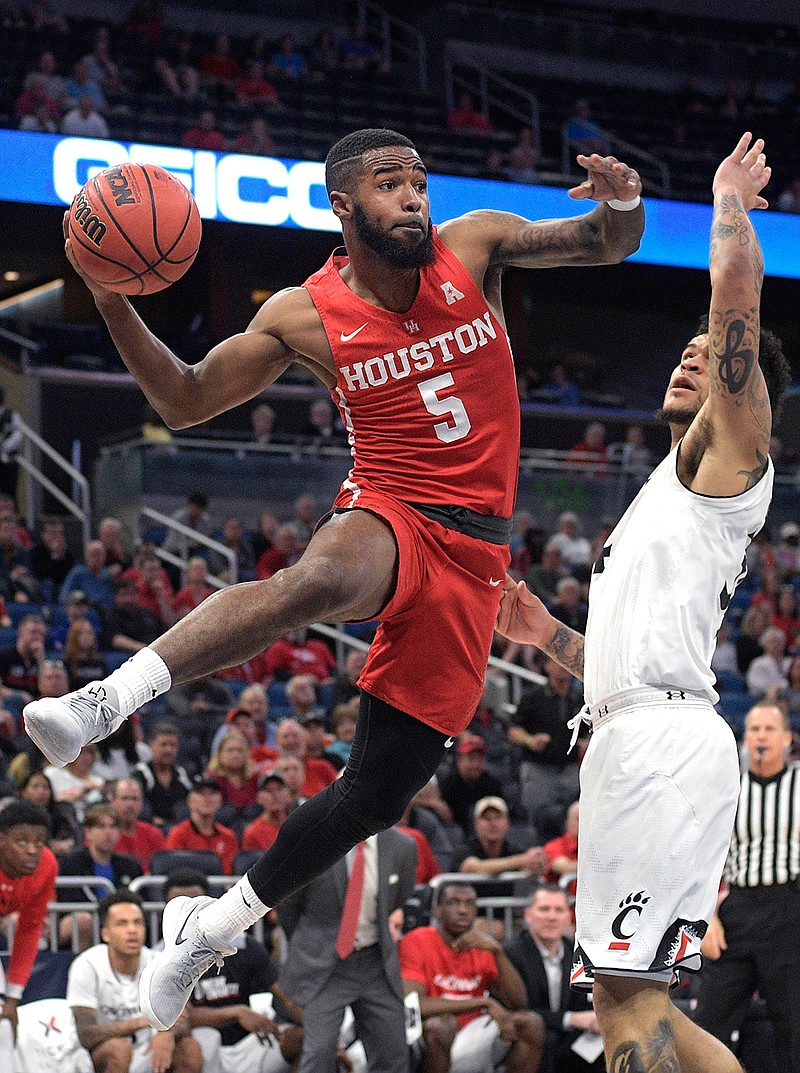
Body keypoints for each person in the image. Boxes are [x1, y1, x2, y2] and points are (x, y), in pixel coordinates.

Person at [25, 125, 644, 1032]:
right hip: (392, 503)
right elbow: (186, 399)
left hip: (479, 552)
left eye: (418, 182)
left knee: (380, 792)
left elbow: (601, 241)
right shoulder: (300, 313)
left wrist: (622, 201)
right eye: (390, 184)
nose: (413, 198)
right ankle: (103, 702)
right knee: (317, 580)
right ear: (343, 203)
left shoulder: (473, 245)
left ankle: (213, 926)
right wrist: (115, 302)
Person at [495, 134, 790, 1071]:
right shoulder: (664, 489)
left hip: (659, 753)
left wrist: (726, 201)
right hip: (642, 734)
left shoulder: (728, 458)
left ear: (747, 392)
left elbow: (737, 298)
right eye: (683, 352)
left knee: (628, 1012)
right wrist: (546, 633)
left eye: (710, 358)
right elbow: (636, 665)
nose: (689, 362)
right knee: (642, 1005)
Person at [693, 702, 800, 1069]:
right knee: (708, 1022)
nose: (760, 736)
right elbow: (702, 855)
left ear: (787, 739)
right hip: (738, 909)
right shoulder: (728, 789)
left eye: (769, 729)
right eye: (754, 729)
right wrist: (706, 915)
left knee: (794, 1028)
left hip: (790, 907)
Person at [277, 826, 417, 1073]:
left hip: (376, 962)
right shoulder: (314, 842)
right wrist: (310, 944)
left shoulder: (403, 845)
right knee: (319, 1054)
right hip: (325, 966)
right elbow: (289, 903)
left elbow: (399, 896)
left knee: (393, 1054)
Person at [398, 881, 545, 1073]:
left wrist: (497, 951)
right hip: (430, 1037)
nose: (462, 910)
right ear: (437, 911)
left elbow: (518, 1003)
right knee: (441, 1026)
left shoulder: (481, 945)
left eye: (470, 904)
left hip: (474, 1033)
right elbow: (415, 1004)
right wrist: (484, 1002)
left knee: (531, 1023)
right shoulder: (417, 940)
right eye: (454, 903)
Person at [167, 869, 303, 1073]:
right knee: (189, 1048)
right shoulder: (163, 956)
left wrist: (322, 1035)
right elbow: (183, 1018)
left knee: (304, 1040)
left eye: (194, 903)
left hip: (247, 1044)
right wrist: (237, 1013)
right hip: (199, 1045)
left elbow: (286, 996)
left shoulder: (243, 945)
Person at [67, 890, 202, 1073]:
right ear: (106, 934)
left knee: (190, 1048)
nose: (132, 930)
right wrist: (141, 1022)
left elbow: (184, 1021)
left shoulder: (160, 962)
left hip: (148, 1048)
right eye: (122, 924)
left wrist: (167, 1033)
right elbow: (87, 1034)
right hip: (99, 1055)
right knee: (119, 1048)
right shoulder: (87, 965)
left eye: (137, 922)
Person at [504, 885, 603, 1073]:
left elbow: (583, 1002)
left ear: (568, 917)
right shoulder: (512, 952)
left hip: (569, 1036)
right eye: (544, 909)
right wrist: (570, 1018)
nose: (551, 917)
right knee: (547, 1040)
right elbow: (517, 1011)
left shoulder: (576, 952)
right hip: (528, 1035)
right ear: (528, 915)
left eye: (559, 910)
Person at [507, 658, 584, 833]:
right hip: (539, 769)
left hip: (570, 768)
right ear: (546, 666)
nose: (562, 666)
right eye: (556, 661)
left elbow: (590, 730)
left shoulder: (579, 698)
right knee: (537, 821)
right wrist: (529, 741)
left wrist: (587, 742)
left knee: (575, 820)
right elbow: (513, 730)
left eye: (565, 662)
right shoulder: (533, 697)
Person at [0, 800, 57, 1033]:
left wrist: (13, 997)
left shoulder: (47, 865)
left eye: (39, 841)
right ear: (1, 840)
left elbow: (29, 929)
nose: (32, 850)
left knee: (4, 1025)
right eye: (21, 841)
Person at [58, 802, 143, 951]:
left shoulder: (130, 865)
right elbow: (68, 903)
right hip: (84, 927)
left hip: (119, 924)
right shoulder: (71, 862)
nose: (108, 833)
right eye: (101, 827)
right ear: (88, 832)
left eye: (113, 827)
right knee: (83, 920)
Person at [165, 775, 239, 874]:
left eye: (212, 793)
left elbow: (230, 873)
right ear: (190, 801)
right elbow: (173, 870)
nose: (208, 798)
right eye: (201, 793)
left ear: (220, 800)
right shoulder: (178, 834)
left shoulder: (228, 836)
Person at [437, 734, 503, 837]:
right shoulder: (447, 785)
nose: (475, 764)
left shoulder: (492, 785)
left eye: (479, 759)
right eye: (471, 758)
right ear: (459, 759)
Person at [133, 723, 193, 828]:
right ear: (151, 745)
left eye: (173, 745)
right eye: (163, 744)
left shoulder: (183, 775)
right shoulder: (140, 773)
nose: (168, 750)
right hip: (149, 829)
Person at [110, 777, 166, 872]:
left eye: (135, 799)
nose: (130, 804)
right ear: (113, 802)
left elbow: (163, 867)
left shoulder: (154, 834)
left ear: (142, 803)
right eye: (124, 799)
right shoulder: (102, 832)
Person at [241, 770, 292, 851]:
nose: (275, 795)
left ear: (288, 795)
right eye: (268, 790)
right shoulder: (253, 833)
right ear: (259, 798)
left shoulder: (295, 825)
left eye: (279, 789)